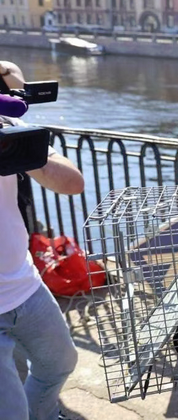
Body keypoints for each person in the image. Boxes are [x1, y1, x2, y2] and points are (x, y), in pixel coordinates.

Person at [0, 60, 85, 420]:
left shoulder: (8, 125)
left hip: (23, 285)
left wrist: (21, 150)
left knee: (59, 363)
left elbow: (73, 183)